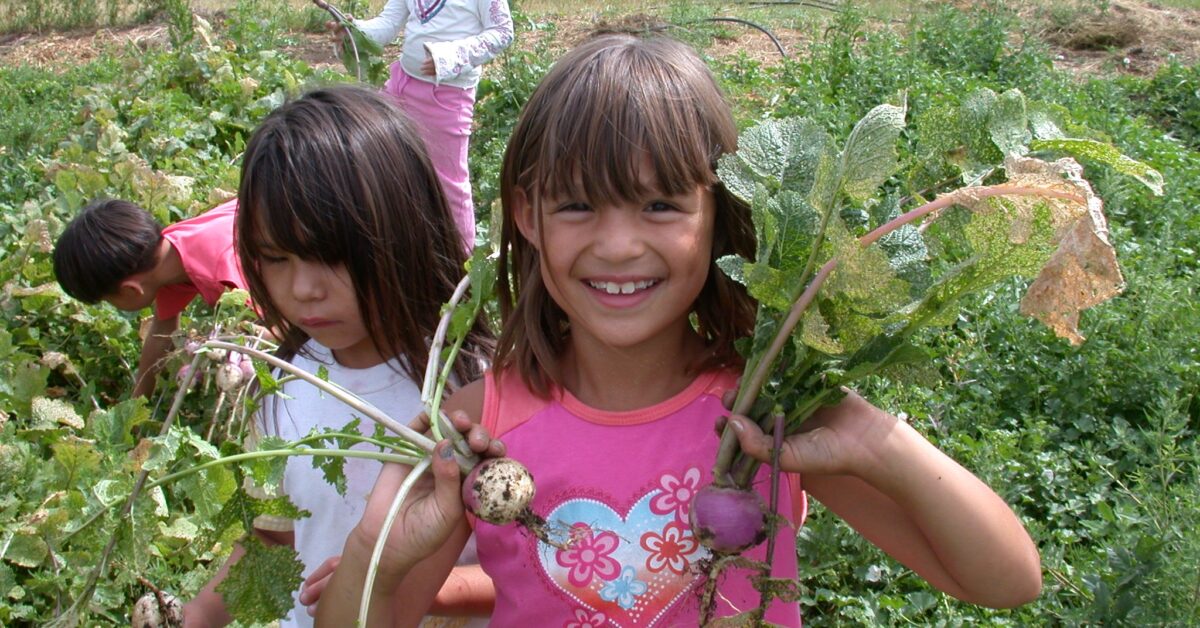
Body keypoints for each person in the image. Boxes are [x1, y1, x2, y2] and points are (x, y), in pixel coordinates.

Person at [313, 34, 1043, 626]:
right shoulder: (478, 427)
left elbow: (1005, 580)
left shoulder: (768, 421)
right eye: (578, 208)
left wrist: (871, 442)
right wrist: (379, 544)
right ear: (529, 217)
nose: (620, 246)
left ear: (718, 216)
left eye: (660, 206)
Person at [180, 86, 495, 628]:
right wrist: (201, 615)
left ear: (405, 235)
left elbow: (538, 557)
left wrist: (407, 587)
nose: (303, 289)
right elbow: (276, 536)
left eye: (332, 257)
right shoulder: (281, 386)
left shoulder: (474, 386)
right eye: (276, 258)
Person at [346, 0, 514, 251]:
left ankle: (463, 266)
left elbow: (502, 32)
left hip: (446, 97)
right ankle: (396, 246)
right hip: (401, 85)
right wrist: (354, 30)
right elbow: (388, 24)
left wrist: (449, 57)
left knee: (449, 186)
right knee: (382, 157)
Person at [53, 197, 246, 399]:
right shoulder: (170, 254)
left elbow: (279, 330)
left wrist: (218, 342)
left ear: (131, 290)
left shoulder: (223, 271)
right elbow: (162, 332)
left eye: (109, 300)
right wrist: (137, 405)